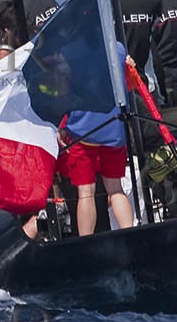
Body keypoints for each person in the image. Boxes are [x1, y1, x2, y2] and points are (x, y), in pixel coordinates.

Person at [58, 45, 136, 235]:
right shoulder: (117, 47)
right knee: (115, 189)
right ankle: (131, 234)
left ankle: (86, 242)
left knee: (86, 193)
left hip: (82, 132)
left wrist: (60, 126)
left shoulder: (69, 50)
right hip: (114, 128)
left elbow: (62, 90)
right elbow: (131, 83)